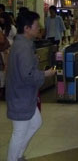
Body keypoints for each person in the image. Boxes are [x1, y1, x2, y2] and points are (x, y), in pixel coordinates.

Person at [6, 11, 56, 161]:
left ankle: (18, 155)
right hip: (20, 96)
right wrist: (45, 74)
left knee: (36, 122)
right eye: (36, 25)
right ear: (27, 28)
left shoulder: (23, 44)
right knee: (19, 132)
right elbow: (27, 75)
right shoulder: (23, 47)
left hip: (23, 95)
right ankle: (13, 158)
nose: (39, 27)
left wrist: (33, 60)